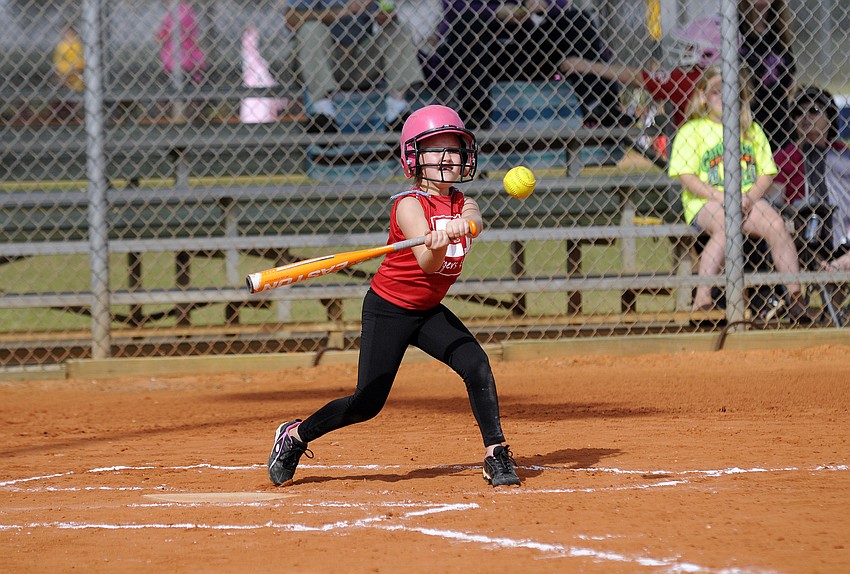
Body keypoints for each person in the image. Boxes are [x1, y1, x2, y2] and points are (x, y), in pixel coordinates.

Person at [267, 104, 521, 488]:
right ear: (414, 159)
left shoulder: (463, 202)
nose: (448, 157)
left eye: (454, 148)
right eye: (437, 149)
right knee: (366, 403)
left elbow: (475, 220)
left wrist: (459, 226)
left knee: (476, 365)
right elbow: (428, 263)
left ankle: (496, 453)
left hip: (428, 310)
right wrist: (436, 242)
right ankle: (295, 436)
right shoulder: (408, 205)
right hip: (389, 309)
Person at [668, 65, 809, 320]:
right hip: (706, 202)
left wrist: (750, 197)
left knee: (776, 224)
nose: (723, 96)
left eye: (731, 91)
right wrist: (720, 197)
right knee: (726, 223)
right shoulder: (692, 130)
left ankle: (795, 295)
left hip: (746, 200)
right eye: (715, 91)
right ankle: (702, 299)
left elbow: (767, 172)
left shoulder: (751, 130)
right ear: (701, 96)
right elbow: (686, 177)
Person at [427, 0, 622, 130]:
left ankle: (600, 105)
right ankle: (475, 113)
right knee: (466, 23)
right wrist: (495, 12)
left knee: (578, 20)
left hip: (529, 47)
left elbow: (562, 5)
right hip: (484, 53)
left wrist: (544, 4)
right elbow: (453, 8)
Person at [560, 14, 723, 132]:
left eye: (691, 47)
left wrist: (587, 66)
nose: (686, 51)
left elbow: (637, 77)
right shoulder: (736, 78)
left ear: (709, 52)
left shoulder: (688, 79)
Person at [285, 0, 424, 133]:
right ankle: (323, 113)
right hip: (326, 61)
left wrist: (382, 17)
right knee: (311, 29)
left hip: (364, 58)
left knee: (396, 26)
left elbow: (386, 12)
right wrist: (345, 10)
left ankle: (397, 111)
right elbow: (291, 19)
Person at [773, 87, 850, 272]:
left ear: (830, 116)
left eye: (814, 111)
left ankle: (838, 267)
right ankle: (836, 268)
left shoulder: (844, 156)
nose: (806, 118)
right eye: (799, 113)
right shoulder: (783, 158)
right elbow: (774, 200)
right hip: (803, 228)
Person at [738, 0, 796, 152]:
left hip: (779, 123)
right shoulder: (735, 28)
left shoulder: (779, 30)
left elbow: (790, 80)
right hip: (747, 120)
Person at [156, 0, 207, 86]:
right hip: (193, 60)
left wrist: (158, 36)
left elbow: (162, 36)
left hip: (175, 61)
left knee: (172, 91)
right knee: (192, 90)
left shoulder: (173, 13)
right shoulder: (189, 10)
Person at [52, 24, 85, 122]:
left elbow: (80, 63)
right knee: (57, 94)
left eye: (68, 32)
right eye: (64, 32)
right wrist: (59, 74)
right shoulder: (61, 46)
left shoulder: (77, 45)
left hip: (75, 76)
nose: (66, 34)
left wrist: (69, 74)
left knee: (77, 99)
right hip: (62, 76)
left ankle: (78, 116)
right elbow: (57, 63)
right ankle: (61, 117)